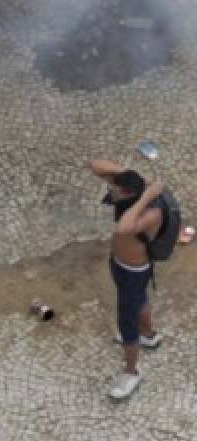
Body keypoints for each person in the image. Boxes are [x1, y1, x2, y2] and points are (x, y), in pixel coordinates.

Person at [89, 160, 168, 400]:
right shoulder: (132, 187)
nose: (111, 192)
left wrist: (145, 197)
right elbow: (95, 165)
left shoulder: (152, 212)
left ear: (129, 195)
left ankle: (131, 372)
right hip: (120, 264)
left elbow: (123, 229)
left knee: (127, 324)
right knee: (139, 299)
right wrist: (121, 174)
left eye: (116, 191)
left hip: (135, 271)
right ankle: (150, 335)